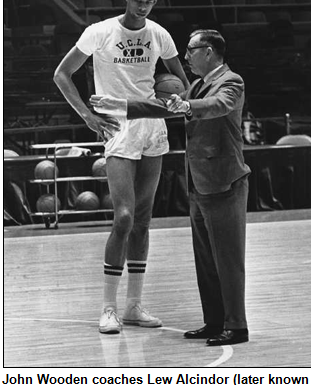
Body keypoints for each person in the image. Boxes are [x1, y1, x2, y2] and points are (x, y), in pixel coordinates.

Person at [90, 29, 251, 346]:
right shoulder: (196, 85)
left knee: (228, 260)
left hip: (224, 181)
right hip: (199, 182)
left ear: (208, 51)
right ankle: (214, 321)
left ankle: (237, 326)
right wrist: (121, 105)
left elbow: (216, 105)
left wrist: (188, 106)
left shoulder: (231, 82)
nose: (186, 56)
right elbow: (164, 108)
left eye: (191, 50)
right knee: (205, 261)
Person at [53, 0, 189, 334]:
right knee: (124, 217)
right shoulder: (99, 31)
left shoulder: (158, 34)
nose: (143, 7)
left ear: (154, 2)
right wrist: (87, 116)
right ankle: (108, 307)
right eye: (138, 0)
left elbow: (184, 84)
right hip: (117, 126)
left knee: (143, 221)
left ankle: (133, 305)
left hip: (152, 127)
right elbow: (61, 74)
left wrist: (176, 99)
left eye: (150, 2)